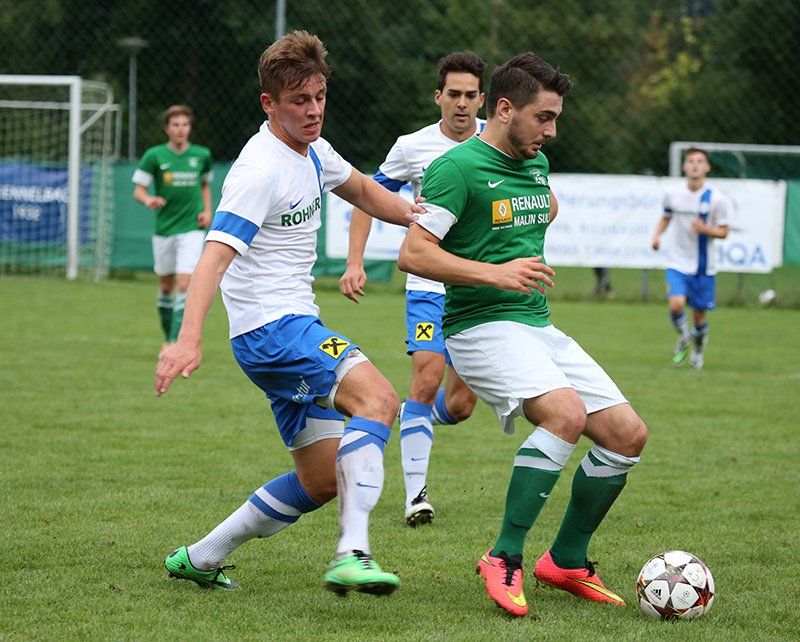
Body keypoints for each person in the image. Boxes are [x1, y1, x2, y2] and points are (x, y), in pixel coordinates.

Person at [155, 31, 424, 596]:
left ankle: (201, 556)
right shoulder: (259, 171)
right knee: (379, 399)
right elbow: (212, 258)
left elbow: (364, 191)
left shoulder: (315, 150)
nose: (314, 110)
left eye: (320, 96)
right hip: (274, 330)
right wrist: (187, 339)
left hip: (290, 327)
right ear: (269, 103)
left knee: (322, 478)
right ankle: (353, 553)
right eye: (299, 100)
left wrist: (420, 216)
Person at [398, 52, 648, 617]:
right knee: (565, 416)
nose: (552, 131)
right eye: (544, 117)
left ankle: (567, 560)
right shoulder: (456, 168)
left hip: (537, 325)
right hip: (480, 327)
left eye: (556, 118)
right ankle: (504, 556)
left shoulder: (536, 164)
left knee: (627, 435)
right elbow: (413, 254)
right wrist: (496, 271)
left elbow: (540, 208)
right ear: (505, 109)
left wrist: (510, 234)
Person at [338, 51, 485, 527]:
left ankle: (413, 415)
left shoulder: (500, 142)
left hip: (480, 287)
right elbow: (365, 196)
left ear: (483, 100)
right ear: (438, 96)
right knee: (426, 375)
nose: (461, 103)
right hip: (428, 283)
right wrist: (355, 262)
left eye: (470, 95)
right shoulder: (412, 146)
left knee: (460, 405)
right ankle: (416, 496)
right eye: (453, 94)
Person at [132, 105, 213, 354]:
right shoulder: (154, 156)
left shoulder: (202, 155)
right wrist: (148, 199)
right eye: (176, 125)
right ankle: (168, 336)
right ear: (167, 128)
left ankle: (175, 343)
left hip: (191, 228)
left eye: (185, 125)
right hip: (165, 229)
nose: (181, 129)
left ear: (190, 128)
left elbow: (204, 185)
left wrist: (207, 210)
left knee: (184, 284)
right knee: (166, 287)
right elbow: (138, 190)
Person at [651, 147, 730, 369]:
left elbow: (724, 231)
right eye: (691, 161)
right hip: (677, 261)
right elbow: (666, 216)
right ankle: (685, 337)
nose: (695, 165)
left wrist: (706, 230)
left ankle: (698, 350)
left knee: (699, 316)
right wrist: (656, 236)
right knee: (676, 305)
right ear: (684, 166)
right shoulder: (673, 194)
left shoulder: (716, 199)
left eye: (700, 161)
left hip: (703, 266)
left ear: (707, 167)